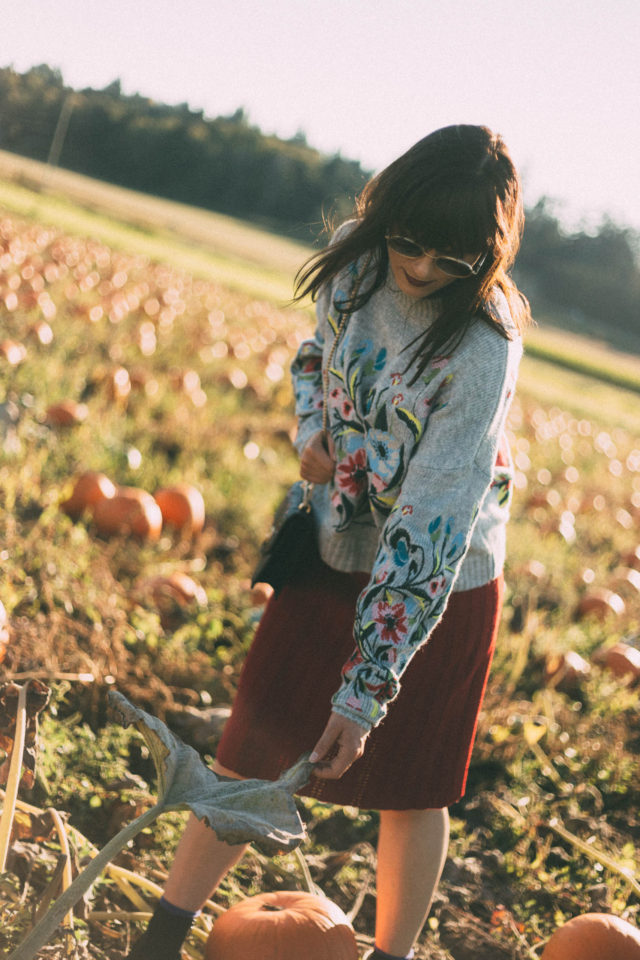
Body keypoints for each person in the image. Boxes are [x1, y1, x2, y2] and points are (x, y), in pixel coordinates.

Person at [127, 124, 531, 960]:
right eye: (409, 244)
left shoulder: (482, 346)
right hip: (332, 541)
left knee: (413, 787)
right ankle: (160, 939)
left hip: (437, 583)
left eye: (449, 261)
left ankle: (390, 956)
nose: (419, 270)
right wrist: (315, 428)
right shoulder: (355, 261)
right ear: (386, 212)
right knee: (250, 745)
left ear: (485, 257)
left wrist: (365, 691)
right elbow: (317, 355)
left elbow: (432, 520)